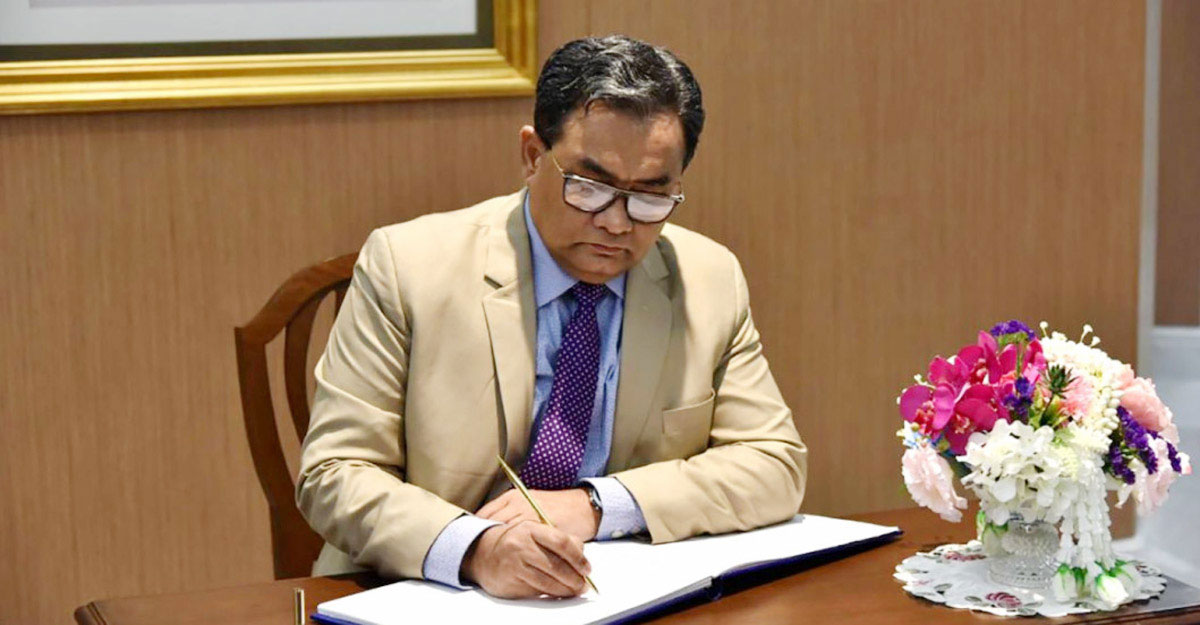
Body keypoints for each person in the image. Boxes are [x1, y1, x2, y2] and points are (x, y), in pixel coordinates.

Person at [296, 34, 807, 600]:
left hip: (612, 595)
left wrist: (597, 505)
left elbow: (774, 465)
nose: (616, 223)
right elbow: (334, 473)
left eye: (650, 197)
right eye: (589, 187)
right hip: (422, 591)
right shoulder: (408, 266)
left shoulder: (708, 278)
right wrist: (476, 548)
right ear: (533, 156)